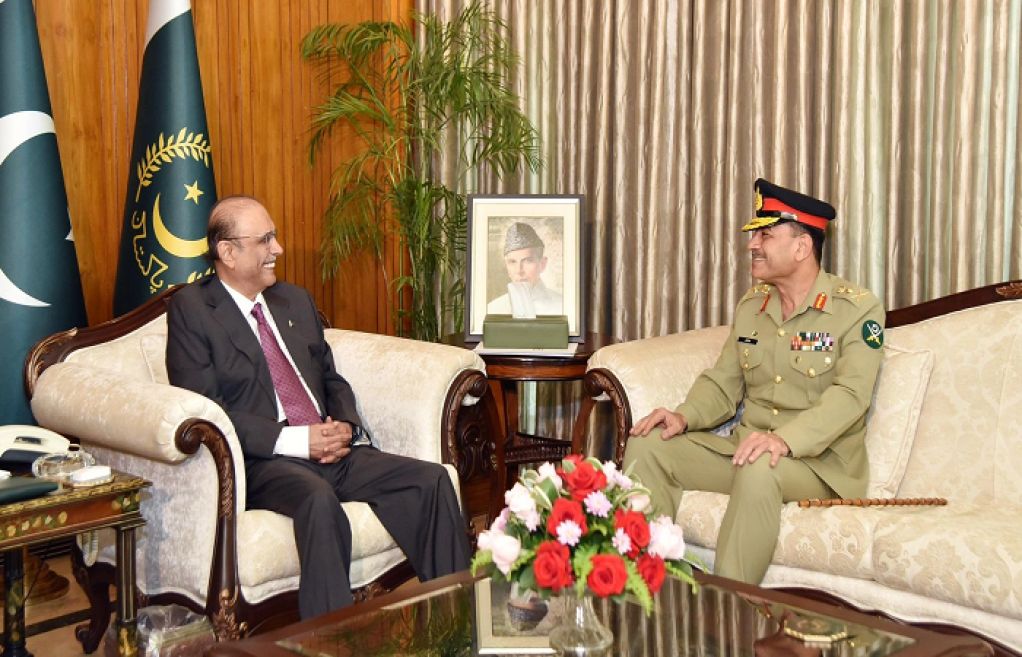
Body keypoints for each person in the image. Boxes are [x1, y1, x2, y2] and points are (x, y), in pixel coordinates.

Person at [165, 195, 470, 618]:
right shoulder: (193, 311)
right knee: (318, 501)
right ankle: (331, 641)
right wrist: (297, 441)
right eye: (265, 240)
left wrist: (344, 424)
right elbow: (205, 409)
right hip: (264, 462)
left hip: (332, 450)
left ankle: (454, 625)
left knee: (431, 481)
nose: (278, 249)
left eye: (274, 237)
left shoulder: (293, 300)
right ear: (228, 252)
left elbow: (329, 376)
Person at [624, 179, 885, 585]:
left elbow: (850, 397)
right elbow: (723, 383)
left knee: (761, 464)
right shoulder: (753, 306)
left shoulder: (856, 309)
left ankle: (732, 604)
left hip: (819, 467)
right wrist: (683, 416)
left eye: (766, 235)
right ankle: (641, 587)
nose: (752, 245)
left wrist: (784, 440)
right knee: (649, 443)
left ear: (802, 247)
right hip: (747, 453)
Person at [486, 221, 563, 316]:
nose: (519, 271)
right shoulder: (493, 309)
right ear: (507, 266)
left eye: (528, 261)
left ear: (542, 264)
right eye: (512, 262)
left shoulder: (562, 307)